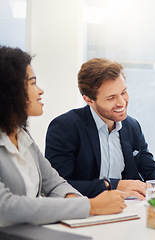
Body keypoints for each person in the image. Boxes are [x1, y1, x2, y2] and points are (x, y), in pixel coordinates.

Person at [0, 46, 127, 227]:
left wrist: (75, 201)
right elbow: (6, 208)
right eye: (33, 83)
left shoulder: (23, 138)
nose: (40, 90)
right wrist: (90, 206)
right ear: (9, 91)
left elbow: (56, 184)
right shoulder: (66, 126)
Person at [45, 58, 155, 198]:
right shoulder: (65, 127)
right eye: (111, 97)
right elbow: (57, 186)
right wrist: (114, 185)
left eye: (123, 92)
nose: (122, 102)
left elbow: (149, 169)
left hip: (128, 208)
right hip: (87, 211)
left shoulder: (131, 126)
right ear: (89, 100)